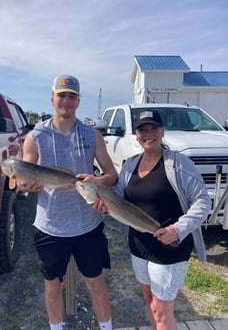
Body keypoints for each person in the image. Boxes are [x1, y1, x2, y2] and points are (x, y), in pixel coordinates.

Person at [17, 74, 118, 330]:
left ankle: (106, 327)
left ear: (78, 101)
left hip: (88, 225)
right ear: (52, 99)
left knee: (95, 282)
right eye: (61, 95)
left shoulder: (91, 134)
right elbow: (23, 178)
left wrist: (97, 181)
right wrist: (24, 184)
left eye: (72, 96)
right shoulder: (35, 136)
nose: (66, 100)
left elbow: (111, 175)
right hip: (50, 226)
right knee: (53, 284)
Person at [95, 109, 211, 330]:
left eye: (153, 128)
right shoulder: (130, 165)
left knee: (161, 309)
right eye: (142, 129)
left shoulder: (179, 163)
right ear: (136, 134)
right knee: (149, 300)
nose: (148, 134)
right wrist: (103, 204)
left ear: (162, 131)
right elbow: (119, 199)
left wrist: (177, 229)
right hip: (139, 246)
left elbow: (202, 201)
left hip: (169, 247)